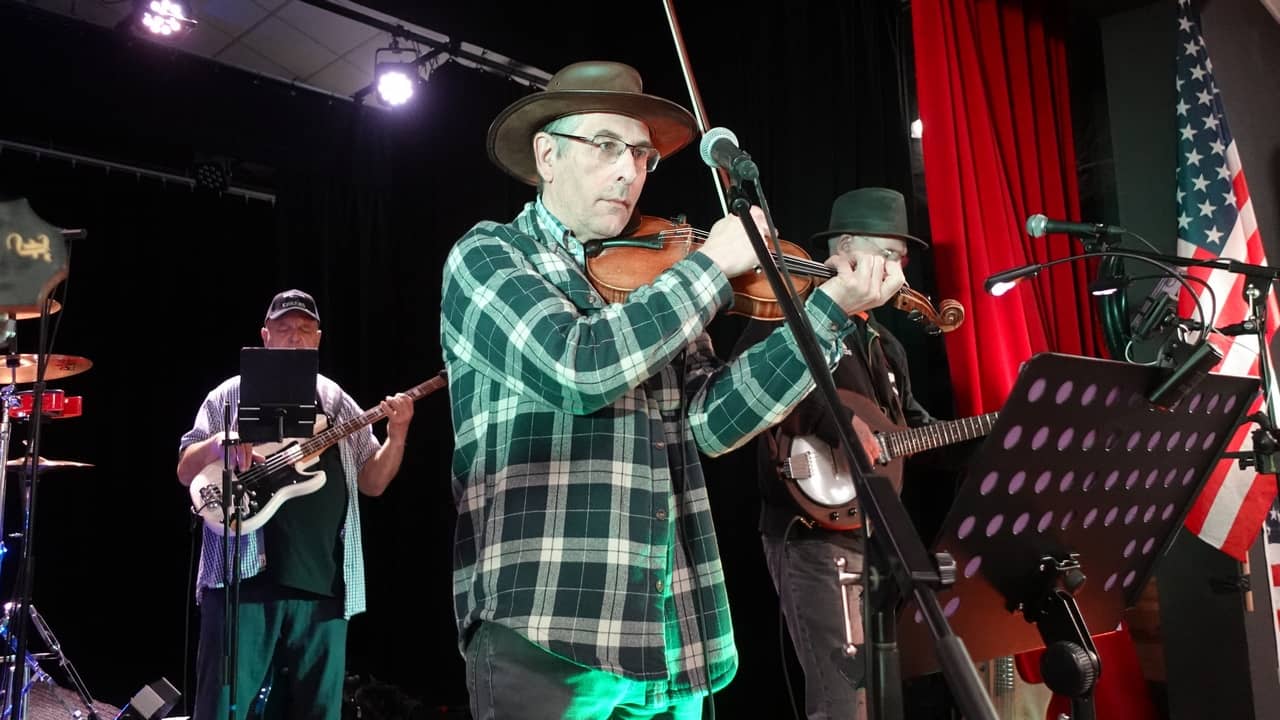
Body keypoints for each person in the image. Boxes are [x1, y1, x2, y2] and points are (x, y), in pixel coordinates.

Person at [440, 61, 906, 719]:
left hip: (671, 631)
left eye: (640, 153)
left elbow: (712, 423)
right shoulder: (489, 256)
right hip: (550, 622)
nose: (629, 170)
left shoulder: (662, 283)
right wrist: (712, 264)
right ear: (547, 154)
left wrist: (826, 309)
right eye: (606, 145)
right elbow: (578, 369)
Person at [730, 188, 935, 720]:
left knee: (883, 694)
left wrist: (988, 432)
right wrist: (838, 424)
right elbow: (749, 396)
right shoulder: (787, 311)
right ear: (845, 248)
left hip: (875, 534)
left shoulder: (885, 344)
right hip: (811, 532)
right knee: (844, 701)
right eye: (884, 255)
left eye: (900, 260)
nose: (896, 273)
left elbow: (908, 428)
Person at [176, 289, 414, 720]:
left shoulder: (336, 401)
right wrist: (217, 445)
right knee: (220, 709)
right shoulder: (228, 395)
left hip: (322, 583)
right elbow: (184, 469)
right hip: (239, 581)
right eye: (284, 330)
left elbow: (373, 482)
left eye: (305, 331)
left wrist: (397, 434)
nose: (295, 339)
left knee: (319, 711)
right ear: (264, 336)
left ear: (318, 339)